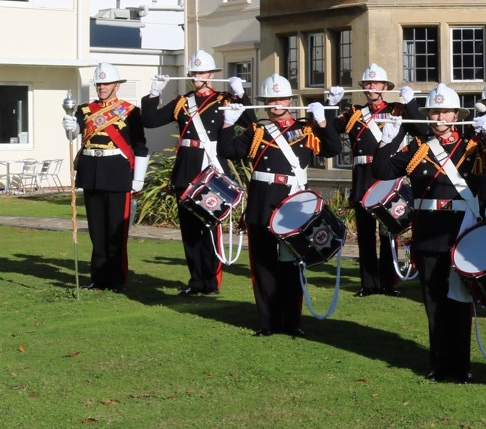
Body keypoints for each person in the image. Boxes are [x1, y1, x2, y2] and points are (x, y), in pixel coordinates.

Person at [372, 85, 486, 381]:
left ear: (456, 115)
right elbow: (382, 171)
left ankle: (461, 366)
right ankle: (439, 364)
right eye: (434, 112)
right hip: (428, 235)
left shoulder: (473, 146)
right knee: (433, 302)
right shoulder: (417, 148)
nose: (438, 117)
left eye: (444, 111)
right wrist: (388, 140)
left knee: (459, 303)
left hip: (460, 232)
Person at [219, 75, 340, 337]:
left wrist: (322, 120)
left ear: (290, 101)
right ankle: (267, 322)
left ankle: (291, 321)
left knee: (291, 264)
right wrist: (228, 122)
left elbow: (333, 148)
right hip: (263, 202)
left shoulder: (306, 130)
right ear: (264, 104)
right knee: (263, 265)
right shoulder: (257, 131)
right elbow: (229, 150)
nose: (276, 104)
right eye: (271, 100)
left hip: (292, 203)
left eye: (281, 99)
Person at [141, 50, 248, 296]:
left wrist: (241, 95)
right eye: (194, 72)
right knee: (189, 231)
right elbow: (151, 120)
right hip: (187, 170)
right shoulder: (182, 102)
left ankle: (211, 282)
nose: (198, 76)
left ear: (211, 74)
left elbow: (251, 123)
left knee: (210, 228)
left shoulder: (224, 100)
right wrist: (153, 94)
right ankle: (196, 281)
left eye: (202, 72)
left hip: (211, 169)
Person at [326, 63, 416, 298]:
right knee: (365, 235)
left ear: (384, 87)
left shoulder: (397, 110)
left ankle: (388, 282)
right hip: (363, 176)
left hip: (386, 175)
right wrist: (330, 106)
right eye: (367, 84)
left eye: (375, 84)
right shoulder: (355, 113)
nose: (370, 88)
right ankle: (368, 283)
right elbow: (330, 132)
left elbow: (420, 129)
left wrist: (411, 104)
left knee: (388, 233)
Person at [61, 62, 148, 292]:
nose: (101, 87)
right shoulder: (84, 109)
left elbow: (140, 147)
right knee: (96, 229)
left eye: (106, 83)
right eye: (99, 83)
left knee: (115, 230)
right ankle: (99, 278)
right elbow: (74, 134)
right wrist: (69, 125)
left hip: (117, 173)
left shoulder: (130, 111)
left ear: (116, 86)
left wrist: (138, 179)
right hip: (91, 171)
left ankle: (117, 279)